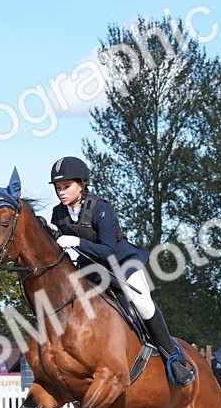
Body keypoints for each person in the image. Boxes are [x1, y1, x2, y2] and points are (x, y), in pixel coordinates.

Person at [48, 155, 196, 387]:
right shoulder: (58, 213)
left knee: (142, 303)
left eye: (66, 186)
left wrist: (76, 242)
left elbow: (108, 250)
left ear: (82, 184)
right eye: (58, 188)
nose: (61, 192)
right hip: (91, 269)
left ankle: (174, 359)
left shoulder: (100, 209)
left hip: (121, 263)